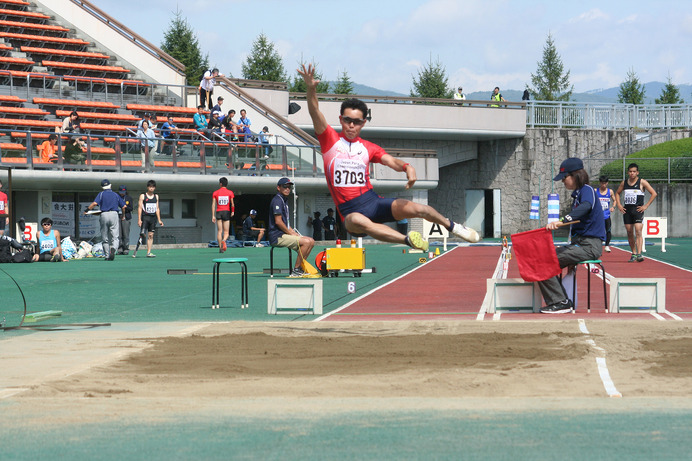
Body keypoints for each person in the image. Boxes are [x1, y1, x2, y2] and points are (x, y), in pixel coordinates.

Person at [297, 63, 480, 251]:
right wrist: (311, 89)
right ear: (340, 120)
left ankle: (454, 226)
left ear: (363, 123)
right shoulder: (330, 141)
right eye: (347, 120)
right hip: (350, 213)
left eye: (356, 122)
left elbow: (391, 161)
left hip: (373, 202)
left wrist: (407, 167)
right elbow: (315, 112)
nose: (351, 125)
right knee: (358, 220)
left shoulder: (368, 148)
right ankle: (407, 240)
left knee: (420, 209)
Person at [538, 157, 605, 314]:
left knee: (544, 261)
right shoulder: (579, 194)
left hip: (589, 246)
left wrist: (563, 220)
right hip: (580, 244)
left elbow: (586, 207)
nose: (563, 182)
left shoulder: (587, 190)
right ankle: (561, 300)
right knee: (543, 260)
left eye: (564, 177)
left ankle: (561, 302)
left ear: (575, 175)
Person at [268, 177, 315, 277]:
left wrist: (293, 232)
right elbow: (278, 222)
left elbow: (286, 223)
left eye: (289, 187)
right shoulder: (277, 200)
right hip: (277, 236)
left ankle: (301, 268)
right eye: (285, 186)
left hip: (283, 234)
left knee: (311, 241)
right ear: (278, 188)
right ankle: (296, 270)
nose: (287, 189)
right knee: (306, 242)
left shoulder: (284, 200)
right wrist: (291, 233)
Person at [614, 163, 658, 262]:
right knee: (629, 232)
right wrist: (619, 205)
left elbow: (654, 193)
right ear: (628, 172)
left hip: (638, 210)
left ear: (637, 172)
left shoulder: (642, 182)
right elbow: (617, 193)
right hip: (627, 211)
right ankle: (633, 253)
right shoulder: (624, 183)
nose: (632, 173)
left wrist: (646, 206)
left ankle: (639, 254)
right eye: (630, 171)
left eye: (634, 171)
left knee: (638, 230)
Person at [85, 179, 126, 261]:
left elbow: (94, 204)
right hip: (114, 214)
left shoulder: (101, 194)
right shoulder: (115, 194)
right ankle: (114, 248)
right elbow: (124, 206)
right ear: (110, 185)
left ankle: (107, 255)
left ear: (102, 187)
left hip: (104, 214)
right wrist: (123, 216)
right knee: (115, 236)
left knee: (105, 237)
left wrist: (87, 210)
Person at [136, 180, 163, 258]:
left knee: (151, 235)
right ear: (148, 187)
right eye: (150, 187)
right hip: (145, 217)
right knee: (143, 233)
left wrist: (159, 220)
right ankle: (139, 243)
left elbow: (157, 208)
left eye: (153, 187)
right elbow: (140, 208)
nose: (151, 188)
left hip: (153, 218)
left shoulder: (156, 196)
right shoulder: (143, 196)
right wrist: (139, 219)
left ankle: (148, 252)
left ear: (154, 188)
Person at [212, 177, 235, 253]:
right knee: (226, 232)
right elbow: (232, 204)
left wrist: (213, 215)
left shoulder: (215, 193)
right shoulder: (230, 192)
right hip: (226, 211)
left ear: (220, 184)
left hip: (218, 211)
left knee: (219, 231)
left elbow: (213, 205)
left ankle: (220, 248)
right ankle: (224, 240)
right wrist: (232, 212)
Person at [596, 175, 615, 253]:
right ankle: (598, 246)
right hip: (598, 216)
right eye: (602, 183)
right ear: (600, 183)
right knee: (598, 231)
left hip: (606, 215)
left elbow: (615, 200)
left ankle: (607, 245)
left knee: (608, 230)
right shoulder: (595, 191)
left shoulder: (610, 191)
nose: (603, 185)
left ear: (607, 183)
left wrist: (613, 207)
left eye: (605, 183)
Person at [117, 185, 134, 255]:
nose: (122, 193)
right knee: (119, 234)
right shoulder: (117, 198)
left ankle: (126, 248)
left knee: (126, 234)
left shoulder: (128, 198)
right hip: (118, 217)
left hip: (126, 217)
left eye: (123, 192)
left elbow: (131, 208)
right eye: (121, 192)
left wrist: (125, 207)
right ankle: (120, 248)